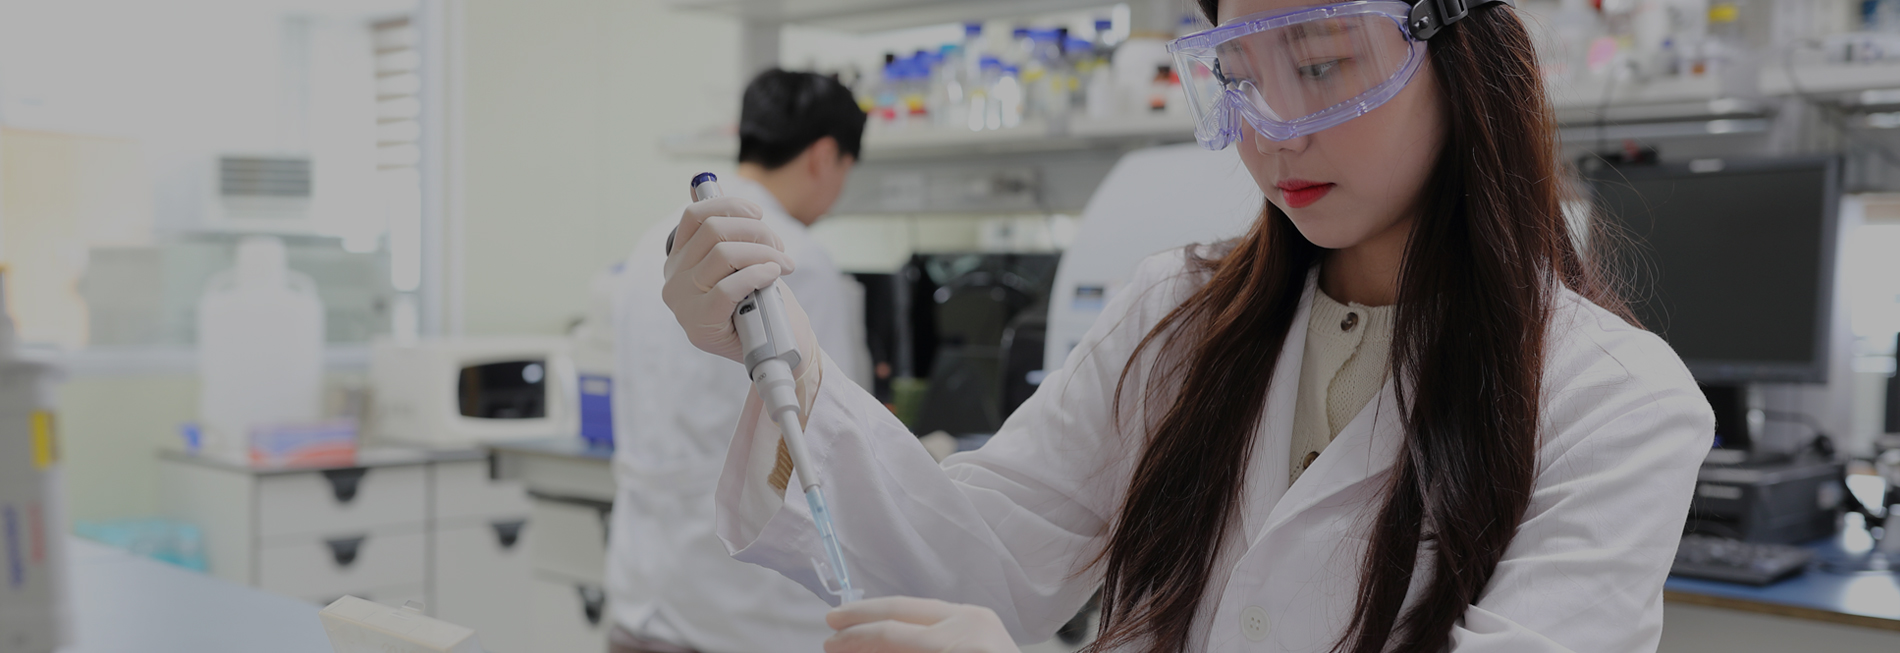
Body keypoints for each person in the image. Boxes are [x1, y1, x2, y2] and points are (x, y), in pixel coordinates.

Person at [661, 0, 1716, 650]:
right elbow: (979, 567)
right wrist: (786, 359)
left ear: (1460, 46)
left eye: (1321, 64)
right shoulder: (1175, 314)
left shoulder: (1615, 402)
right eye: (1240, 77)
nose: (1274, 130)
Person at [605, 69, 868, 653]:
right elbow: (833, 440)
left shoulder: (655, 243)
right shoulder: (795, 257)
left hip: (644, 592)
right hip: (745, 616)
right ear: (825, 156)